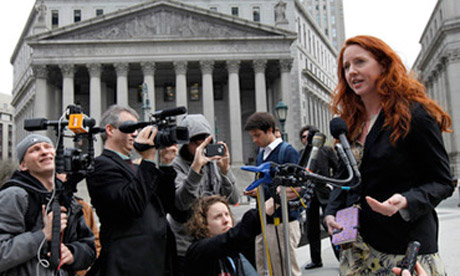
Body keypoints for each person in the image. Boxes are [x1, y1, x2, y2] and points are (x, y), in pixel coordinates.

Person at [324, 35, 454, 275]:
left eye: (360, 62)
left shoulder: (415, 115)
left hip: (403, 249)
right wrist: (331, 212)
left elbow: (443, 182)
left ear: (383, 64)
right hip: (355, 250)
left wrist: (405, 201)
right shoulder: (350, 123)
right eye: (346, 67)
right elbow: (344, 179)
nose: (351, 71)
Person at [86, 105, 178, 276]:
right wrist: (148, 159)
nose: (135, 134)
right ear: (110, 130)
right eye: (130, 128)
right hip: (129, 263)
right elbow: (131, 205)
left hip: (157, 261)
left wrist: (165, 165)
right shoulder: (101, 166)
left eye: (137, 129)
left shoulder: (138, 168)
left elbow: (164, 206)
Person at [0, 134, 96, 275]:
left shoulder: (68, 199)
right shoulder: (14, 196)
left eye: (48, 147)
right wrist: (44, 235)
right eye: (35, 150)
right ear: (23, 165)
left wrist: (72, 254)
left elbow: (90, 248)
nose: (44, 151)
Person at [168, 114, 239, 274]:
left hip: (215, 241)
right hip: (186, 246)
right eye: (195, 143)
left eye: (204, 143)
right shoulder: (176, 166)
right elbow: (182, 203)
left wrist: (225, 172)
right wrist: (195, 170)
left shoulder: (213, 163)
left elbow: (234, 199)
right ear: (186, 144)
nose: (200, 149)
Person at [243, 112, 301, 276]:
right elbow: (262, 181)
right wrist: (256, 191)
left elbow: (295, 188)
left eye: (257, 135)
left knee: (286, 270)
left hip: (283, 221)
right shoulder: (261, 154)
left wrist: (273, 195)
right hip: (264, 220)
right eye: (252, 136)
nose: (255, 140)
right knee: (264, 268)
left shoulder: (287, 152)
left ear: (270, 130)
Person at [185, 195, 269, 276]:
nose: (226, 220)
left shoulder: (234, 254)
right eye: (218, 217)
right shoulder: (199, 250)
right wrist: (263, 211)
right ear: (203, 224)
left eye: (227, 214)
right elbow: (233, 238)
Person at [298, 125, 339, 269]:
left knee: (330, 224)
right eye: (303, 137)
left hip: (325, 192)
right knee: (311, 227)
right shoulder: (302, 153)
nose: (307, 139)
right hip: (310, 194)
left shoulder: (327, 150)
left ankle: (340, 256)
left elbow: (337, 168)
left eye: (309, 136)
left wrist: (331, 183)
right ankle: (316, 259)